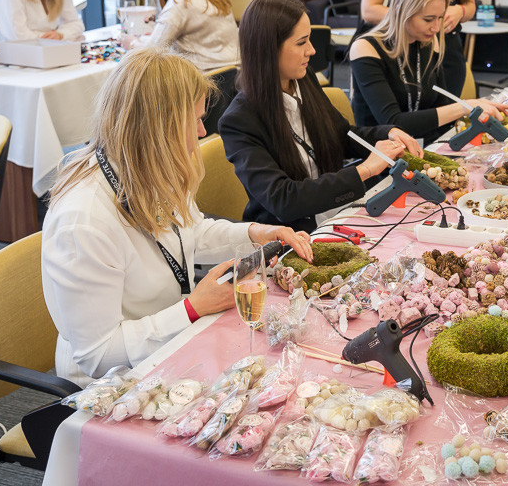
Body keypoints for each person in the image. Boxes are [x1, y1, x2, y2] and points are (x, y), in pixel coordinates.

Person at [40, 47, 312, 385]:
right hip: (113, 383)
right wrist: (192, 308)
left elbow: (190, 232)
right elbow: (98, 355)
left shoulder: (148, 165)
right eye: (195, 120)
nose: (202, 132)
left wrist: (254, 234)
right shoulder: (84, 220)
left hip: (171, 342)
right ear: (159, 130)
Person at [218, 0, 422, 233]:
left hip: (337, 215)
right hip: (292, 236)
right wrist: (365, 169)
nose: (312, 50)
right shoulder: (239, 121)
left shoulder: (303, 80)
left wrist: (388, 134)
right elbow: (283, 199)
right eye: (301, 42)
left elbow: (341, 135)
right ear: (269, 49)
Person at [349, 0, 508, 141]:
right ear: (400, 11)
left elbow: (442, 110)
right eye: (428, 19)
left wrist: (477, 109)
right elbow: (392, 122)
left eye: (440, 18)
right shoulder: (366, 48)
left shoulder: (428, 42)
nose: (436, 28)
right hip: (381, 152)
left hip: (423, 146)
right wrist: (465, 106)